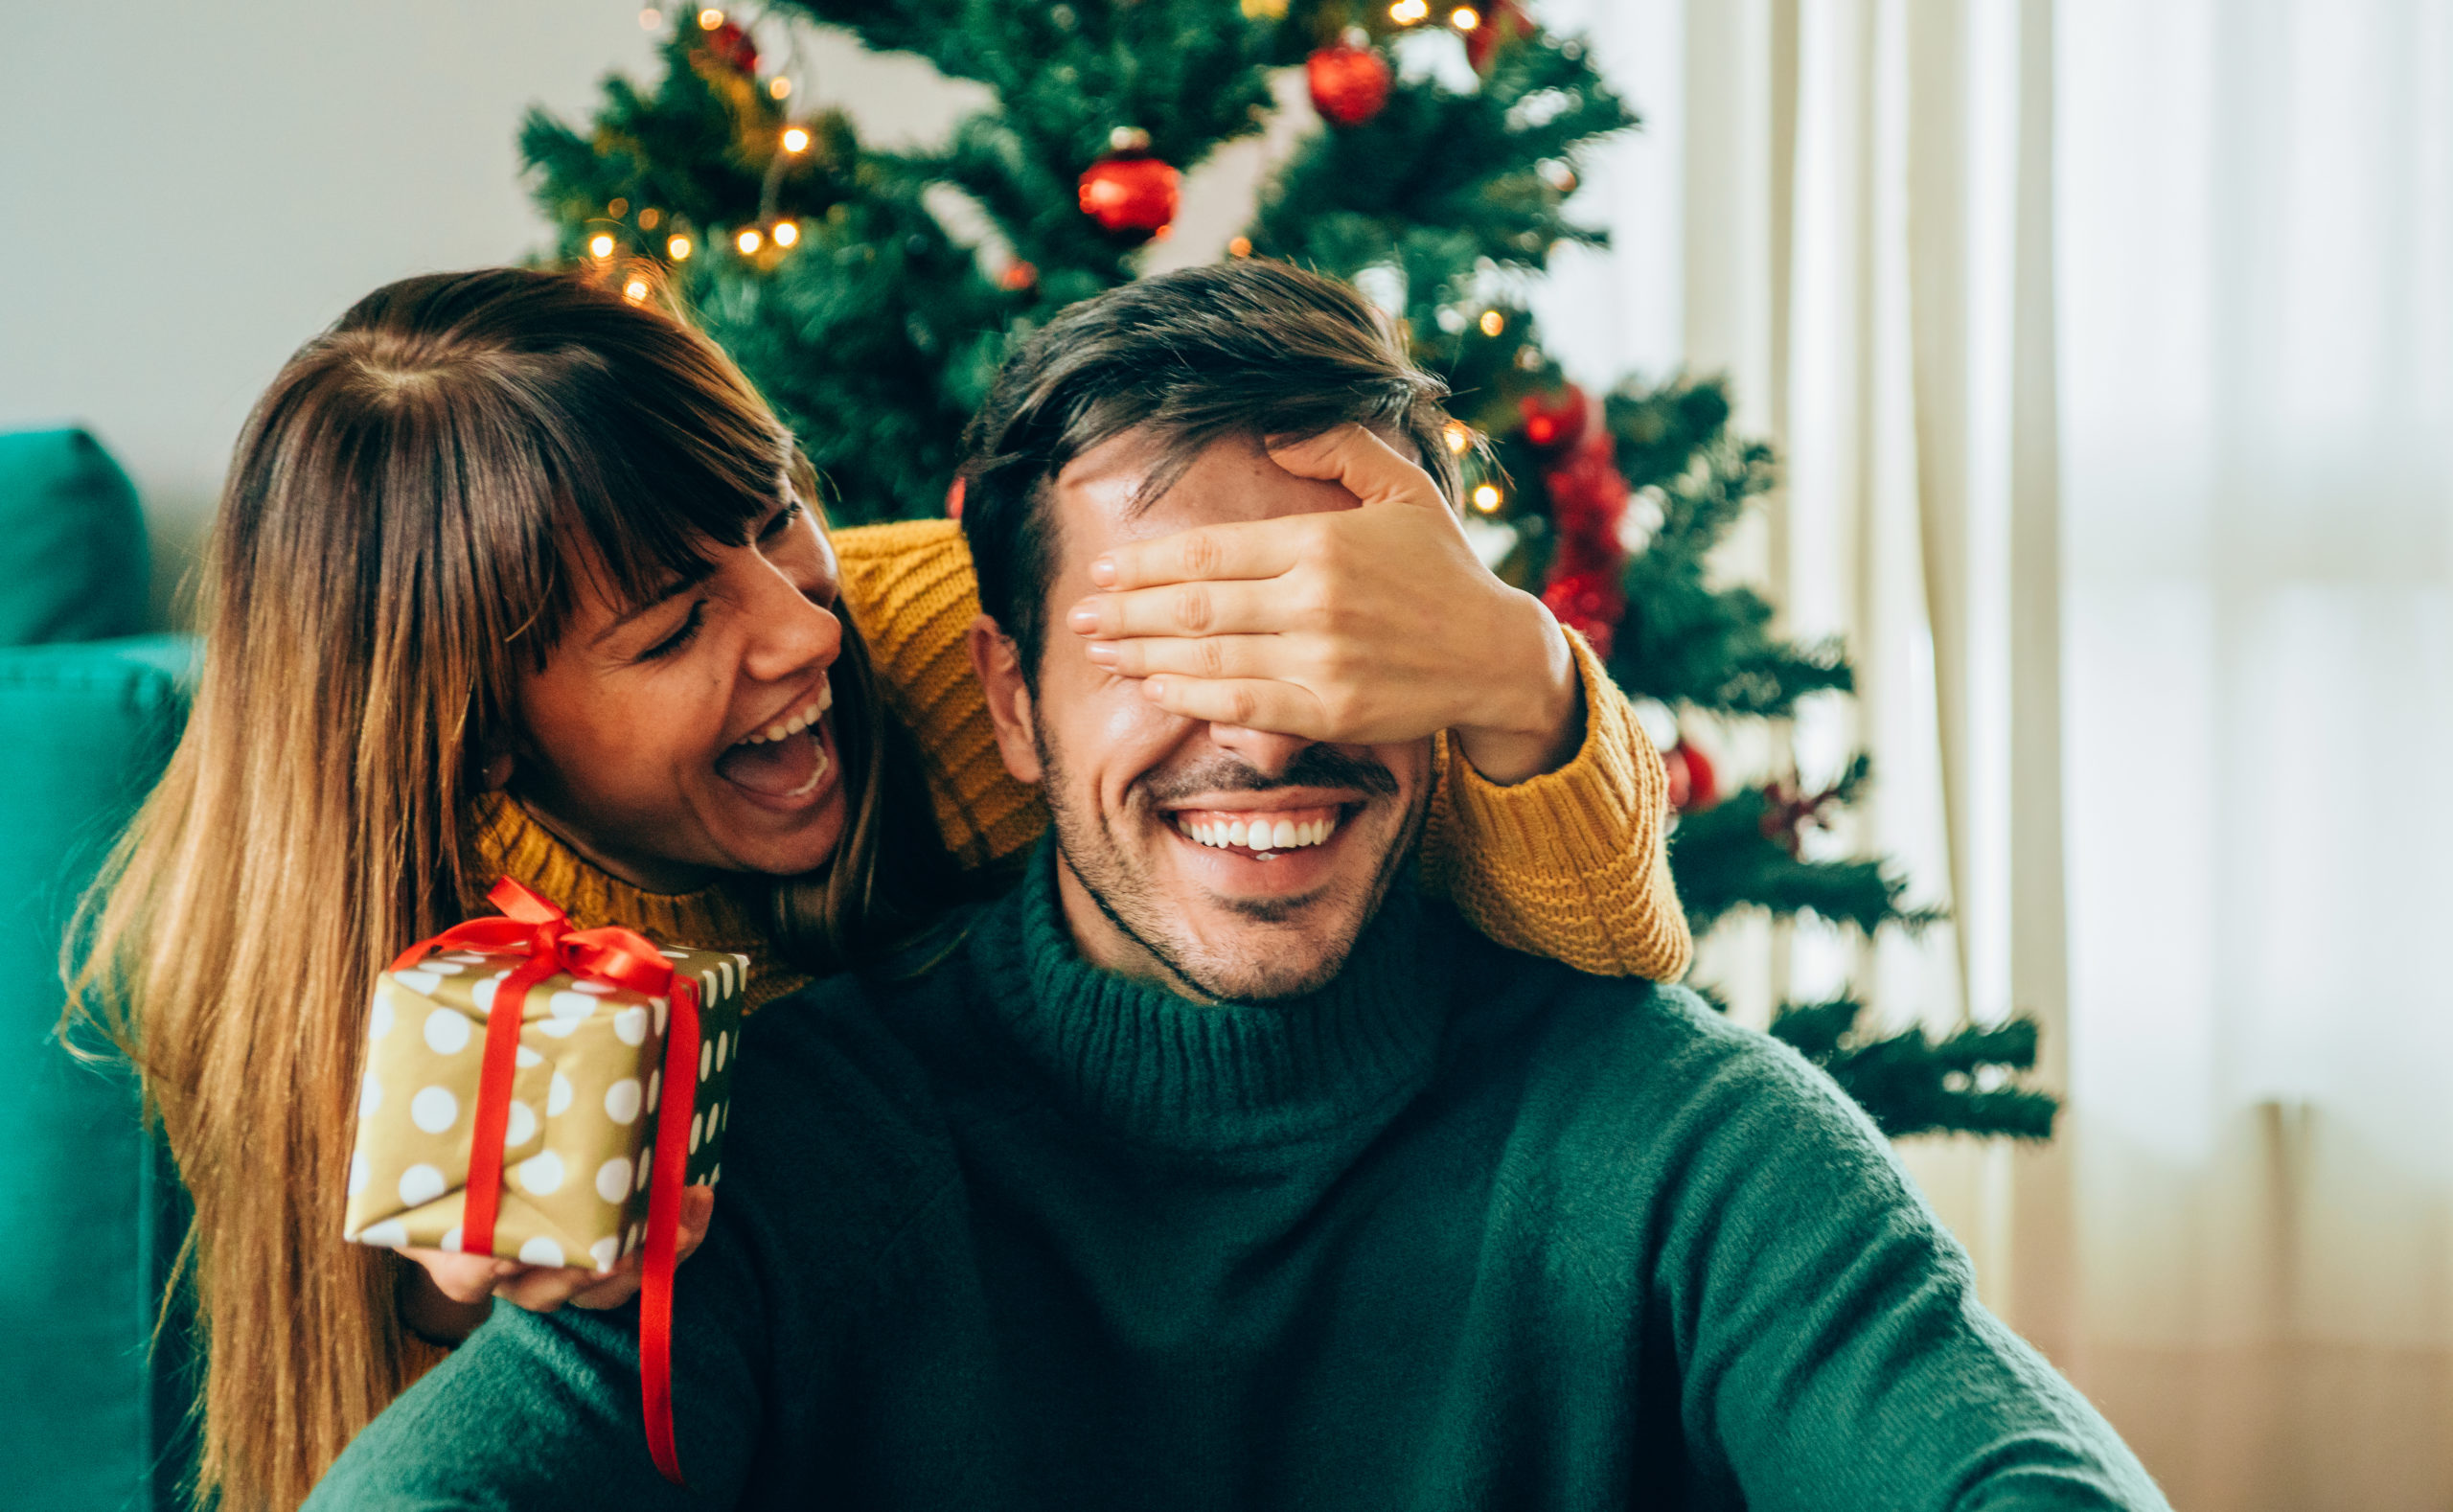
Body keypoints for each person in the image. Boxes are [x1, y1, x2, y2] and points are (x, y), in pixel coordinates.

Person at [306, 262, 2170, 1510]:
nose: (1257, 733)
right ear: (1009, 702)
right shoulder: (783, 1152)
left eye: (1321, 640)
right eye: (1159, 644)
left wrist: (1523, 680)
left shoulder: (1675, 1137)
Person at [72, 266, 1692, 1512]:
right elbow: (401, 1440)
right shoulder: (366, 986)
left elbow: (1603, 956)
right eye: (668, 631)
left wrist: (1517, 661)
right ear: (485, 748)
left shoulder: (972, 648)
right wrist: (450, 1308)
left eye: (779, 519)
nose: (797, 634)